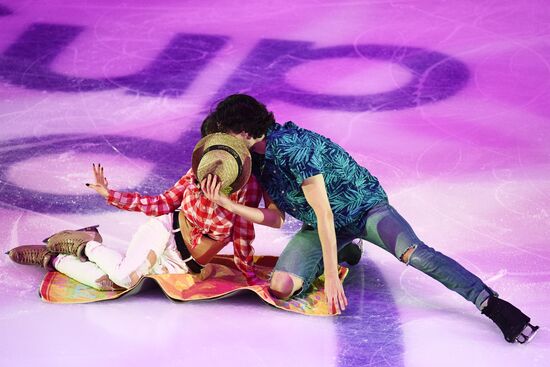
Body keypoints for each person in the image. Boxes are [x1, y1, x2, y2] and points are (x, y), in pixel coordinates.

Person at [199, 94, 539, 343]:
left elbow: (325, 214)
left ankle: (490, 303)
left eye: (228, 132)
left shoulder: (292, 148)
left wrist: (331, 276)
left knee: (415, 254)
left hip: (365, 211)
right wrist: (225, 202)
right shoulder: (255, 161)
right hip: (324, 226)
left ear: (244, 132)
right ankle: (347, 250)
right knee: (281, 288)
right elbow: (275, 219)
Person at [6, 133, 283, 289]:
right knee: (125, 279)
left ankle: (54, 259)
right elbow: (160, 203)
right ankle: (86, 248)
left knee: (109, 284)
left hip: (183, 265)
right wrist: (111, 195)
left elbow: (243, 238)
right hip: (164, 233)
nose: (208, 179)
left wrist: (250, 277)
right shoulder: (194, 175)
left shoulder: (246, 192)